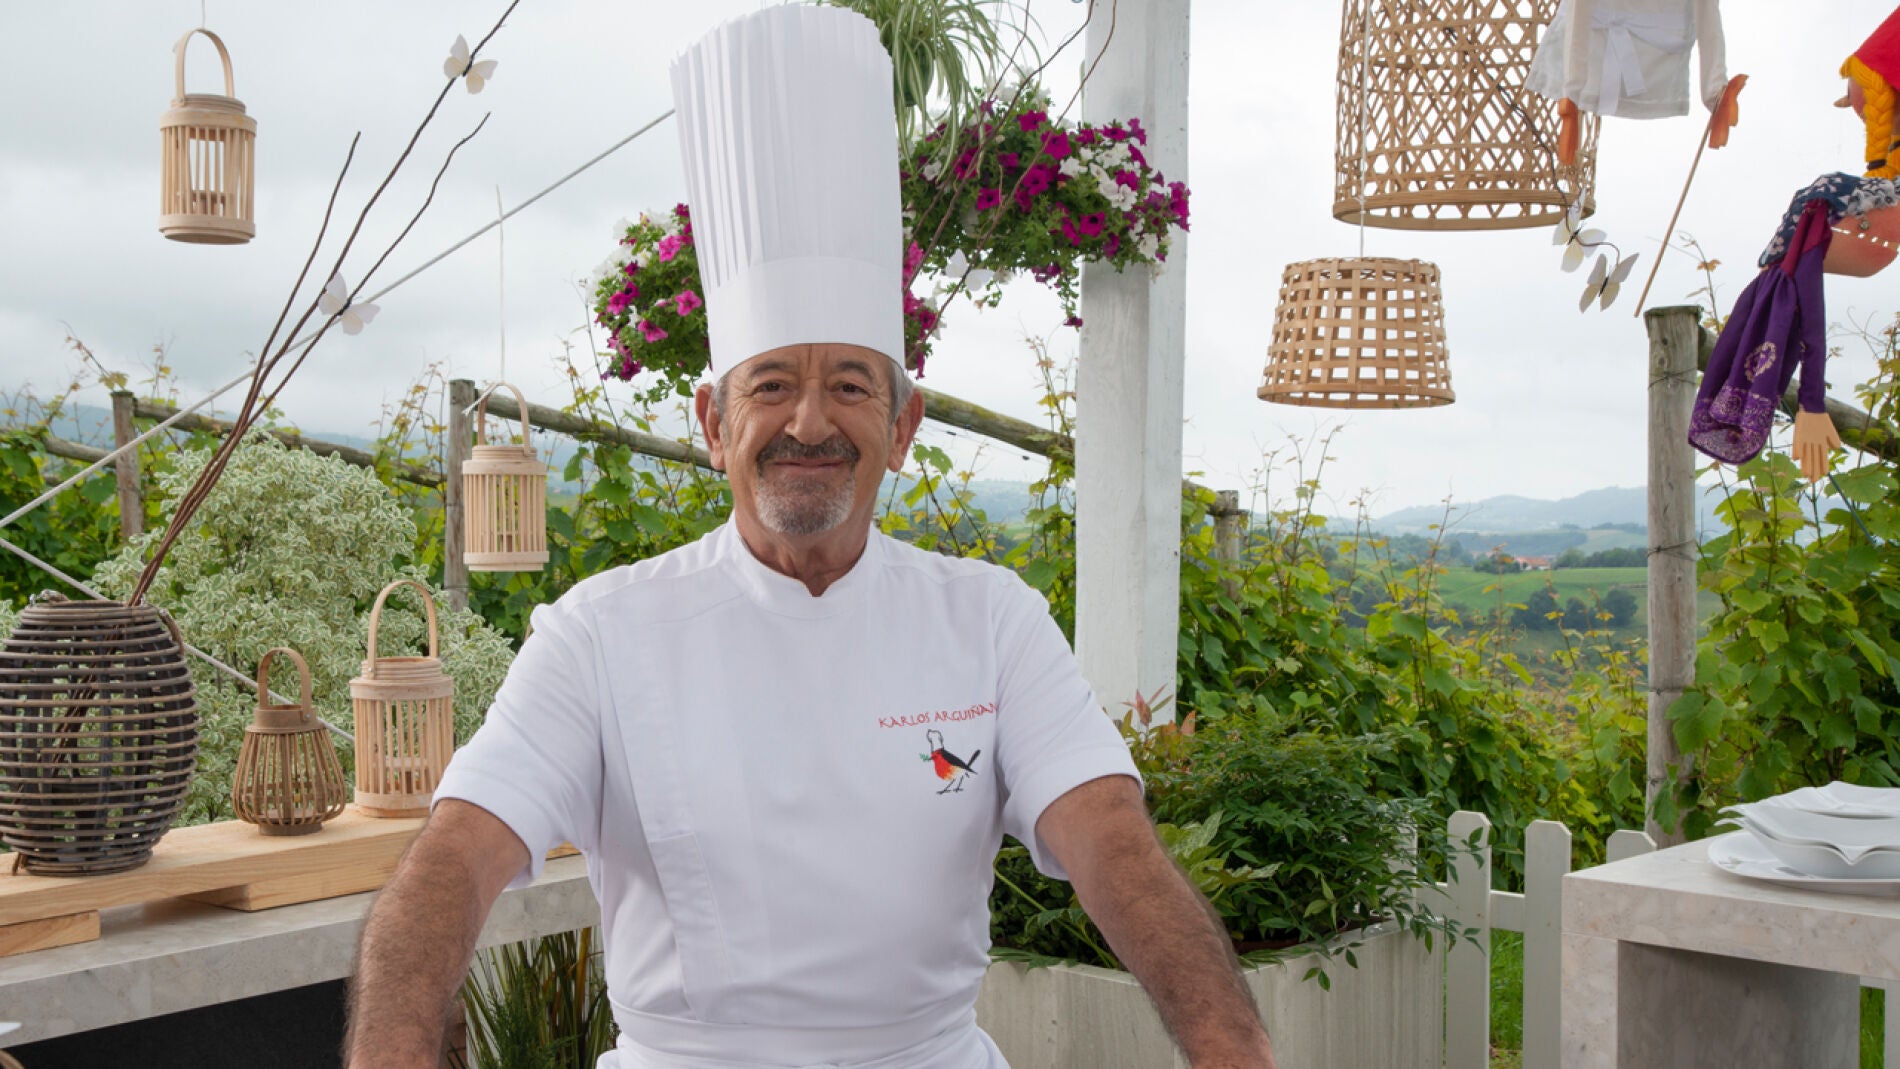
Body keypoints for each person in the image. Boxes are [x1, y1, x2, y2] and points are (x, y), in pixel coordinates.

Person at [344, 7, 1275, 1068]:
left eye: (850, 386)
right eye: (773, 384)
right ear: (713, 425)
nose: (809, 423)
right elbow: (458, 854)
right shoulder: (597, 634)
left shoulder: (991, 620)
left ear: (903, 426)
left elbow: (1111, 840)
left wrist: (1231, 1045)